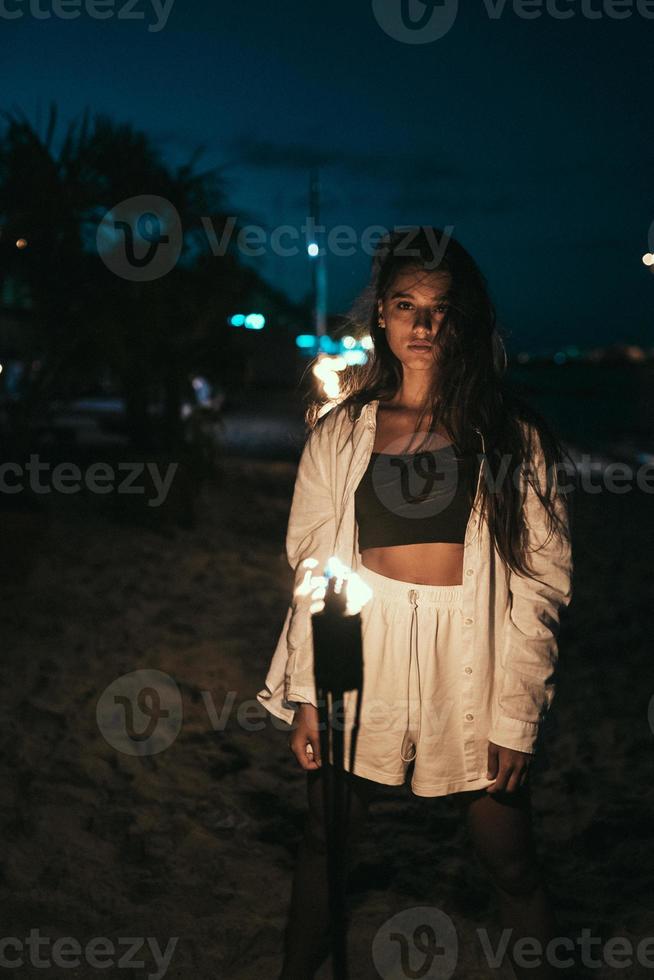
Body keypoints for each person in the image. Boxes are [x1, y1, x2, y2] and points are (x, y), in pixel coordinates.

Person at [256, 227, 575, 979]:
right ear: (385, 319)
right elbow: (315, 566)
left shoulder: (510, 437)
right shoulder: (343, 433)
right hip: (360, 657)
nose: (424, 325)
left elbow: (540, 584)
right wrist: (309, 693)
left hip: (472, 662)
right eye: (406, 306)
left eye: (441, 308)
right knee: (324, 845)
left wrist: (517, 714)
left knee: (511, 859)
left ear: (466, 321)